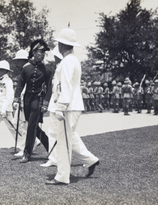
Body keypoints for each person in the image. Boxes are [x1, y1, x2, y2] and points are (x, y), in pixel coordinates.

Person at [45, 28, 99, 185]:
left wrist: (60, 107)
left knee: (64, 142)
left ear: (62, 45)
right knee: (69, 137)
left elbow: (66, 85)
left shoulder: (68, 62)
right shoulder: (71, 60)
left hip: (68, 106)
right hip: (70, 105)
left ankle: (62, 177)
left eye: (59, 44)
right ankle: (91, 160)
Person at [13, 39, 52, 163]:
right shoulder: (26, 68)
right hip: (27, 100)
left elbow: (50, 88)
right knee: (34, 127)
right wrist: (16, 99)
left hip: (38, 100)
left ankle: (27, 153)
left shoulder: (47, 69)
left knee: (31, 126)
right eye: (40, 52)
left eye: (44, 52)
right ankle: (51, 147)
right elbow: (20, 84)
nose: (42, 54)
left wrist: (45, 103)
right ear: (34, 53)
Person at [12, 49, 41, 157]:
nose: (17, 63)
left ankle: (25, 147)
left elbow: (24, 86)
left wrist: (18, 99)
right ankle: (33, 142)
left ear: (23, 60)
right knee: (22, 124)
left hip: (27, 100)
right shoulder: (28, 68)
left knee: (22, 124)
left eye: (18, 61)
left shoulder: (28, 69)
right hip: (25, 99)